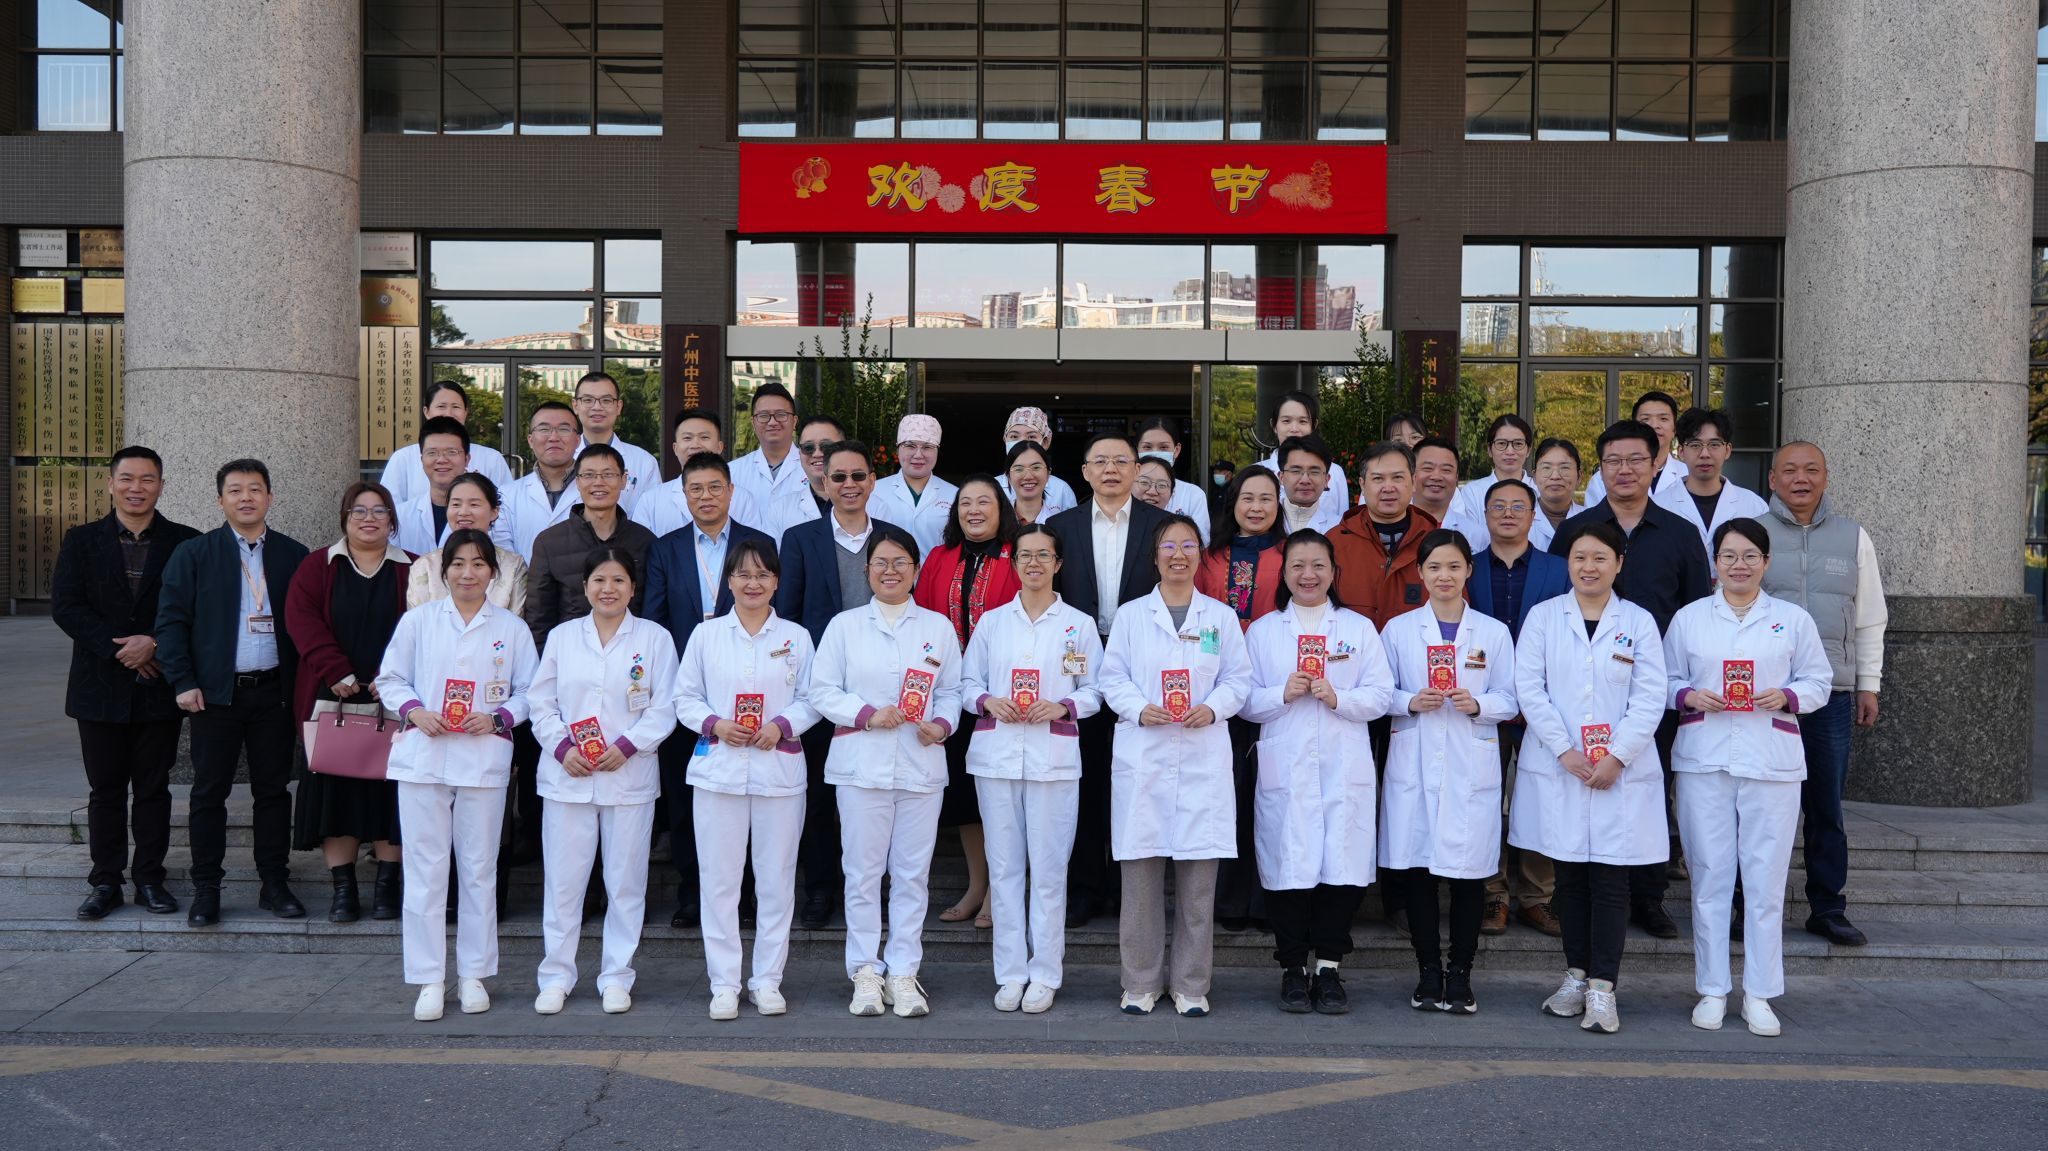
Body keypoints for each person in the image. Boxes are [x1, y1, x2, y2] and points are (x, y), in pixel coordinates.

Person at [1665, 518, 1834, 1037]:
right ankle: (1712, 989)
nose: (1739, 565)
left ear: (1766, 562)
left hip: (1771, 762)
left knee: (1765, 881)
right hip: (1705, 760)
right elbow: (1664, 679)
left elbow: (1819, 681)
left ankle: (1759, 993)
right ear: (1715, 563)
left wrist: (1787, 696)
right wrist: (1688, 695)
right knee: (1709, 877)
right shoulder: (1690, 619)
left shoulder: (1792, 619)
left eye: (1749, 556)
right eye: (1729, 556)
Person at [1551, 419, 1710, 940]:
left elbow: (1695, 613)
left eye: (1636, 459)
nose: (1624, 469)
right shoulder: (1575, 530)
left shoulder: (1681, 534)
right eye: (1613, 461)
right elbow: (1557, 602)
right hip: (1582, 690)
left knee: (1648, 790)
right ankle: (1576, 894)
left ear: (1656, 463)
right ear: (1600, 468)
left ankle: (1648, 896)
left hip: (1651, 693)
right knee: (1579, 788)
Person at [1512, 522, 1668, 1035]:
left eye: (1600, 557)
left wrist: (1617, 757)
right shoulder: (1544, 617)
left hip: (1618, 772)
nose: (1589, 566)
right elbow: (1529, 688)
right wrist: (1564, 750)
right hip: (1562, 766)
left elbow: (1650, 695)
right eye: (1580, 557)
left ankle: (1603, 987)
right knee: (1570, 877)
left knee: (1610, 880)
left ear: (1619, 563)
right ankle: (1575, 976)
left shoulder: (1638, 621)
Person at [375, 530, 538, 1022]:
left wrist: (498, 718)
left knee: (478, 869)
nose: (468, 573)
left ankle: (473, 975)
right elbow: (390, 679)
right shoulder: (419, 621)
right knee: (425, 870)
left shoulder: (511, 628)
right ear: (443, 571)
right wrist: (414, 710)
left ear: (494, 572)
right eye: (459, 564)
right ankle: (429, 977)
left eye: (479, 564)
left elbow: (530, 692)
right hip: (424, 758)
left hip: (482, 758)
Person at [1100, 514, 1252, 1018]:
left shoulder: (1220, 618)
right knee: (1140, 882)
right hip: (1146, 755)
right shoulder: (1131, 616)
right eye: (1169, 546)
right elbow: (1111, 677)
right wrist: (1138, 708)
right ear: (1155, 556)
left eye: (1189, 545)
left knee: (1198, 887)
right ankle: (1139, 982)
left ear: (1200, 555)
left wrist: (1214, 707)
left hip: (1202, 755)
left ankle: (1190, 984)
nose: (1179, 555)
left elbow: (1239, 679)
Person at [809, 525, 963, 1018]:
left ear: (915, 570)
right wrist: (866, 714)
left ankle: (903, 971)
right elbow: (822, 690)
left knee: (913, 875)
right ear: (867, 570)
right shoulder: (845, 626)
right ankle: (865, 972)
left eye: (901, 563)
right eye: (881, 563)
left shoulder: (937, 627)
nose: (891, 571)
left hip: (920, 766)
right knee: (862, 873)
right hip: (861, 767)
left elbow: (952, 691)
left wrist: (942, 724)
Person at [1240, 530, 1394, 1014]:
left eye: (1318, 566)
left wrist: (1339, 697)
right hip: (1286, 765)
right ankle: (1291, 968)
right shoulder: (1264, 631)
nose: (1308, 575)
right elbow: (1243, 700)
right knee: (1288, 868)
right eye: (1298, 566)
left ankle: (1328, 968)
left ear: (1333, 572)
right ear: (1284, 574)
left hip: (1343, 766)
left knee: (1340, 869)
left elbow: (1382, 695)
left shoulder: (1358, 629)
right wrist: (1279, 694)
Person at [155, 458, 311, 928]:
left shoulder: (293, 554)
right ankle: (207, 888)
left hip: (274, 694)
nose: (246, 497)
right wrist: (183, 681)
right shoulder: (194, 554)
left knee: (273, 792)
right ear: (220, 499)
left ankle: (274, 883)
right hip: (215, 696)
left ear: (270, 497)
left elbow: (307, 623)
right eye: (236, 490)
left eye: (255, 489)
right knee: (208, 793)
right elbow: (171, 622)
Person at [673, 538, 822, 1019]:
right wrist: (715, 724)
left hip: (778, 771)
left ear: (776, 582)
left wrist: (782, 725)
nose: (753, 583)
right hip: (719, 772)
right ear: (729, 582)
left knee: (776, 880)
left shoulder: (796, 637)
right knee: (719, 882)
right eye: (743, 574)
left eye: (762, 575)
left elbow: (814, 698)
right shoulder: (706, 635)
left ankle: (767, 980)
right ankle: (724, 983)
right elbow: (684, 698)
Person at [527, 548, 678, 1017]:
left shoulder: (654, 638)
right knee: (564, 884)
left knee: (625, 883)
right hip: (568, 778)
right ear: (584, 586)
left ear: (633, 588)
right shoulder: (562, 637)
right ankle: (556, 976)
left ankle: (616, 976)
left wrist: (629, 746)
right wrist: (562, 749)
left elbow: (665, 706)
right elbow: (540, 703)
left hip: (628, 776)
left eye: (618, 580)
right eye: (599, 580)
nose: (607, 589)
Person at [960, 523, 1104, 1013]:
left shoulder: (1078, 625)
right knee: (1003, 870)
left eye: (1044, 555)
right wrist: (988, 701)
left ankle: (1044, 972)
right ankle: (1010, 973)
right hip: (997, 758)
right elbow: (966, 684)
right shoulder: (993, 623)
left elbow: (1096, 690)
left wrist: (1063, 707)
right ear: (1014, 563)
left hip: (1053, 760)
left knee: (1048, 871)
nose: (1035, 563)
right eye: (1026, 555)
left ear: (1058, 564)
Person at [51, 446, 199, 920]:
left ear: (161, 485)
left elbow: (195, 607)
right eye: (128, 479)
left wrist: (153, 643)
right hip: (98, 687)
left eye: (147, 479)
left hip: (158, 688)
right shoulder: (82, 540)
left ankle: (150, 879)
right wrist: (121, 650)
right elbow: (66, 606)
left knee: (154, 789)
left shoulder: (185, 541)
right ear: (111, 484)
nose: (137, 488)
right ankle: (106, 881)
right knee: (106, 790)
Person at [1380, 530, 1518, 1015]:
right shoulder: (1399, 630)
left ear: (1468, 572)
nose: (1444, 576)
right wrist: (1409, 701)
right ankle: (1427, 972)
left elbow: (1510, 697)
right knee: (1419, 873)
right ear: (1420, 572)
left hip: (1469, 762)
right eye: (1435, 567)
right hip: (1415, 759)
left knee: (1468, 877)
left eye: (1454, 566)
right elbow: (1378, 692)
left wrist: (1478, 704)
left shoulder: (1492, 632)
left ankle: (1460, 973)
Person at [641, 450, 776, 928]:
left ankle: (745, 898)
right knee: (685, 799)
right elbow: (655, 619)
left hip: (749, 687)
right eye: (695, 489)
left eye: (715, 487)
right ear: (683, 495)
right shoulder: (666, 548)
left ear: (731, 491)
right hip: (688, 691)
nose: (706, 496)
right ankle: (692, 894)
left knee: (748, 800)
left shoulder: (759, 543)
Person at [1761, 441, 1888, 948]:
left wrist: (1868, 684)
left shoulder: (1853, 537)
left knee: (1825, 807)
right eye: (1790, 470)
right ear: (1772, 479)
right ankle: (1749, 904)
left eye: (1811, 470)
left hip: (1830, 694)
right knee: (1760, 804)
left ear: (1826, 477)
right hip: (1765, 697)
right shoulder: (1752, 533)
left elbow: (1870, 617)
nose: (1801, 479)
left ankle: (1828, 908)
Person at [777, 439, 903, 929]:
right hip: (820, 688)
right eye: (838, 477)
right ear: (823, 482)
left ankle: (877, 889)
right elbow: (788, 615)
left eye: (858, 476)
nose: (849, 485)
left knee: (879, 795)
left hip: (882, 690)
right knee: (819, 794)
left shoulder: (892, 537)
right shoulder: (800, 538)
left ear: (872, 481)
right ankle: (820, 889)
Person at [1046, 431, 1169, 928]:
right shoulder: (1061, 526)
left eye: (1122, 460)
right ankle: (1085, 888)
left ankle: (1127, 890)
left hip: (1141, 666)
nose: (1111, 469)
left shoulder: (1161, 526)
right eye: (1101, 461)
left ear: (1138, 469)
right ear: (1085, 472)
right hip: (1078, 662)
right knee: (1083, 777)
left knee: (1136, 780)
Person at [283, 483, 411, 924]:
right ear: (344, 518)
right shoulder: (318, 565)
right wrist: (335, 670)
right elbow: (301, 620)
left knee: (391, 792)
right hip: (330, 696)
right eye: (359, 511)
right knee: (335, 794)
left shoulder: (414, 568)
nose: (369, 518)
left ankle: (387, 888)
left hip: (394, 699)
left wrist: (391, 678)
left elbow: (423, 628)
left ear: (392, 520)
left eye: (379, 511)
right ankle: (344, 890)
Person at [1329, 440, 1438, 935]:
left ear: (1413, 483)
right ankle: (1343, 898)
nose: (1388, 487)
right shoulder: (1337, 539)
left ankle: (1400, 898)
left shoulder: (1436, 539)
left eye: (1398, 477)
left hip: (1416, 693)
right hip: (1346, 691)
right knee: (1347, 793)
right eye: (1377, 478)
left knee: (1406, 798)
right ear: (1361, 486)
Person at [911, 476, 1021, 929]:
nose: (974, 510)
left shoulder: (1019, 554)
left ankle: (1001, 889)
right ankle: (977, 885)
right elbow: (921, 618)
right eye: (965, 503)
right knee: (964, 796)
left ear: (1001, 509)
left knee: (1000, 795)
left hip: (1002, 695)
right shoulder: (940, 557)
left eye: (984, 502)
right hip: (950, 694)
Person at [1467, 479, 1570, 938]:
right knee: (1484, 798)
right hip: (1482, 702)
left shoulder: (1559, 569)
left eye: (1517, 507)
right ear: (1485, 514)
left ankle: (1537, 897)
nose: (1507, 514)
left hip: (1544, 704)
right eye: (1498, 506)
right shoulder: (1467, 568)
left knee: (1541, 798)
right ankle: (1493, 893)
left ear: (1533, 515)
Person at [1196, 465, 1286, 932]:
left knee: (1272, 795)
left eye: (1266, 498)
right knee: (1226, 794)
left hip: (1276, 690)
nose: (1256, 507)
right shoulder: (1208, 558)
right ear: (1232, 504)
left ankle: (1269, 900)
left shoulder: (1292, 555)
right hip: (1217, 692)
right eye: (1247, 498)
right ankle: (1230, 901)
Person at [525, 444, 658, 653]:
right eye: (589, 475)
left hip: (632, 657)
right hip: (570, 655)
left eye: (608, 474)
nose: (598, 482)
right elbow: (538, 618)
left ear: (624, 480)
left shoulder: (645, 541)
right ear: (577, 482)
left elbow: (652, 611)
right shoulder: (549, 542)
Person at [1654, 407, 1769, 559]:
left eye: (1714, 444)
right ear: (1681, 452)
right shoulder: (1658, 505)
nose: (1705, 454)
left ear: (1727, 450)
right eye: (1695, 445)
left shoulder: (1754, 506)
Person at [632, 408, 763, 538]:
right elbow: (641, 546)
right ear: (675, 448)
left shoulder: (743, 499)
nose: (695, 445)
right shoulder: (651, 500)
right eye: (687, 438)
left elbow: (754, 545)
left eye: (704, 437)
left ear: (720, 447)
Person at [380, 380, 516, 506]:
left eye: (456, 407)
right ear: (426, 412)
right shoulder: (403, 458)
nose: (449, 413)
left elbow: (505, 507)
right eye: (441, 406)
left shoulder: (492, 458)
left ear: (466, 412)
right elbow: (390, 508)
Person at [407, 473, 528, 612]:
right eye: (456, 504)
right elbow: (417, 621)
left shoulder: (513, 565)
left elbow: (516, 621)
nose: (463, 512)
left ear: (494, 512)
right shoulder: (425, 566)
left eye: (474, 504)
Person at [396, 417, 511, 556]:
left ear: (467, 459)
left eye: (451, 452)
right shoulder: (401, 516)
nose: (441, 460)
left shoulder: (492, 515)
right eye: (432, 453)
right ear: (422, 460)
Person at [870, 414, 960, 558]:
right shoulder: (873, 491)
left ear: (937, 451)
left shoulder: (955, 495)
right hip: (887, 571)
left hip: (937, 572)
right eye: (910, 446)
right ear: (898, 449)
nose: (918, 455)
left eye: (927, 447)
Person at [505, 401, 583, 561]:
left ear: (577, 440)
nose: (554, 437)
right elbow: (503, 554)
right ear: (530, 440)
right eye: (544, 429)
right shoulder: (507, 495)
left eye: (564, 429)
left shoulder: (597, 491)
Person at [572, 371, 660, 512]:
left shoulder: (644, 461)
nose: (597, 407)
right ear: (575, 406)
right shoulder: (564, 458)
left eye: (606, 400)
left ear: (618, 407)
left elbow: (653, 514)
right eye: (588, 400)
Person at [1258, 391, 1349, 526]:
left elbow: (1341, 521)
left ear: (1314, 425)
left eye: (1302, 421)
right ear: (1274, 425)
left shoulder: (1335, 472)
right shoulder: (1256, 472)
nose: (1294, 429)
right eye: (1286, 421)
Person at [1584, 390, 1688, 504]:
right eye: (1645, 419)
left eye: (1663, 419)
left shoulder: (1688, 474)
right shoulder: (1603, 478)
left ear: (1674, 429)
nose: (1654, 425)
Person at [728, 382, 806, 532]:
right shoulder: (732, 472)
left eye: (781, 415)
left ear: (794, 421)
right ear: (753, 422)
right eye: (763, 416)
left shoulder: (812, 469)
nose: (772, 422)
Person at [758, 414, 848, 541]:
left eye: (826, 446)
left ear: (846, 449)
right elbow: (770, 553)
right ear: (800, 453)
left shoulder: (872, 505)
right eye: (808, 448)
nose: (817, 454)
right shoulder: (780, 509)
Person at [1449, 414, 1533, 530]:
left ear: (1528, 450)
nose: (1510, 451)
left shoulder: (1538, 490)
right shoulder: (1473, 492)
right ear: (1489, 449)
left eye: (1518, 444)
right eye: (1501, 444)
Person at [1136, 417, 1213, 542]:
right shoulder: (1124, 490)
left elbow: (1201, 541)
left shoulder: (1193, 494)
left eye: (1163, 447)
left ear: (1176, 450)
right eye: (1147, 447)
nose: (1155, 453)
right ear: (1137, 449)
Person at [996, 406, 1080, 514]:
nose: (1022, 442)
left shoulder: (1061, 489)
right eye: (1014, 436)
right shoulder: (992, 486)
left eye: (1031, 437)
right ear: (1005, 440)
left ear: (1045, 442)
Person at [1412, 437, 1488, 553]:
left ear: (1456, 477)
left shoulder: (1476, 535)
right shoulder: (1391, 528)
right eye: (1428, 468)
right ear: (1411, 473)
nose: (1436, 476)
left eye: (1446, 470)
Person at [1528, 437, 1587, 552]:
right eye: (1546, 468)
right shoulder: (1519, 520)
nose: (1555, 476)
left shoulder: (1592, 520)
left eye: (1564, 468)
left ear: (1579, 476)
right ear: (1534, 476)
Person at [1275, 435, 1343, 534]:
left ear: (1326, 480)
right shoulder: (1264, 521)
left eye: (1314, 472)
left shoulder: (1338, 527)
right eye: (1296, 471)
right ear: (1281, 477)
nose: (1305, 480)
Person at [1003, 439, 1070, 524]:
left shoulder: (1062, 525)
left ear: (1048, 474)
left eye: (1036, 467)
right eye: (1019, 469)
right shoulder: (998, 523)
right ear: (1008, 476)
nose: (1028, 476)